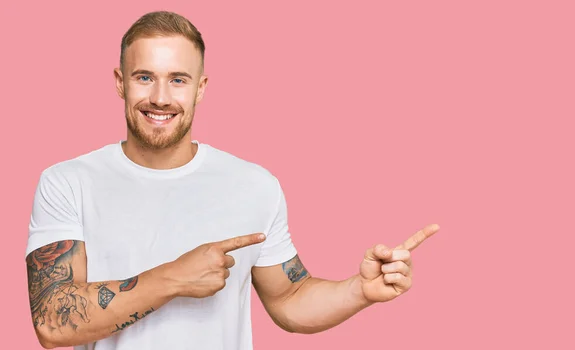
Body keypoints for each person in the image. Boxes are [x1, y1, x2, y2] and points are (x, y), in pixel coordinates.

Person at [24, 10, 440, 350]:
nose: (161, 98)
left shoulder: (253, 185)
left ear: (200, 88)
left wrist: (359, 291)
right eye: (145, 77)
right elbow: (51, 323)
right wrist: (173, 277)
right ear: (120, 82)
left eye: (178, 80)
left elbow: (289, 299)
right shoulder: (68, 182)